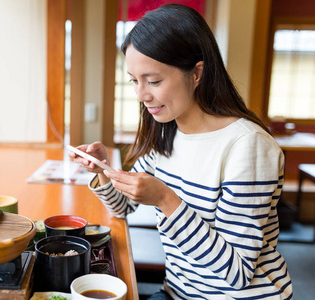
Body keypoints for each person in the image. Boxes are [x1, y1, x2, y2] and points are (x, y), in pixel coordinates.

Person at [69, 4, 293, 300]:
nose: (141, 95)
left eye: (154, 80)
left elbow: (236, 273)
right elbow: (124, 208)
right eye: (134, 81)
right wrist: (103, 172)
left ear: (197, 73)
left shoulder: (248, 146)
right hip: (178, 292)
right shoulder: (169, 133)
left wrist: (166, 199)